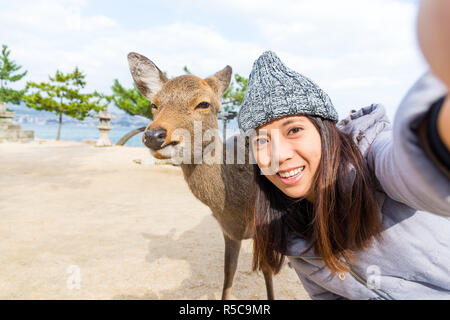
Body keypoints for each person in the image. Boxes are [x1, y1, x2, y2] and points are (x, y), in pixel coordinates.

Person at [237, 1, 450, 300]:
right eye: (261, 140)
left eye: (294, 130)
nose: (278, 155)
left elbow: (418, 169)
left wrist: (438, 133)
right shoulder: (287, 228)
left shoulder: (373, 160)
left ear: (325, 131)